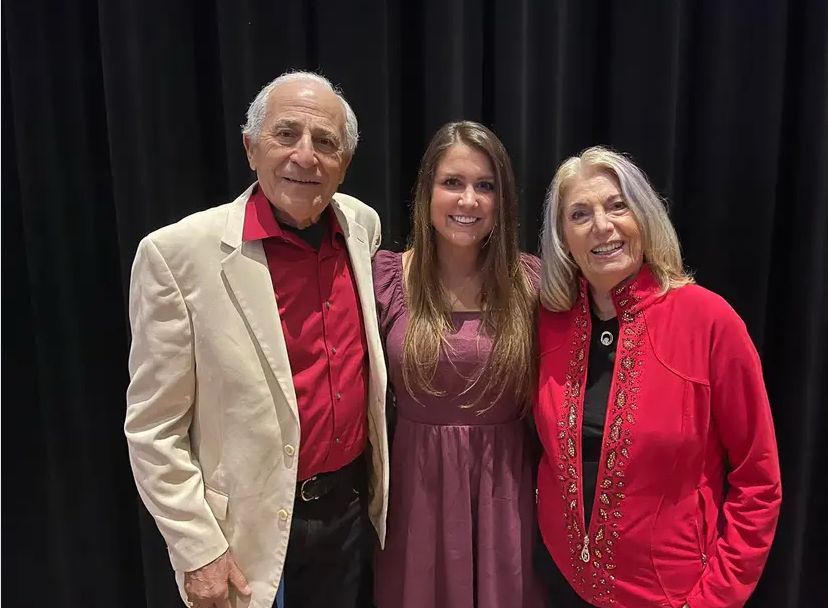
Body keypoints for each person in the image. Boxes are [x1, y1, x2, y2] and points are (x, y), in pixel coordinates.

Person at [124, 71, 389, 608]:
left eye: (326, 142)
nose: (305, 156)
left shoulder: (362, 226)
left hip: (351, 514)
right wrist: (197, 549)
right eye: (285, 134)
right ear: (250, 148)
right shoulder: (176, 255)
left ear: (346, 161)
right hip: (248, 535)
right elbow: (153, 429)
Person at [533, 146, 782, 607]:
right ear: (563, 237)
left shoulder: (709, 322)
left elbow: (759, 483)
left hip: (673, 596)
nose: (601, 226)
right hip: (557, 584)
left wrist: (713, 600)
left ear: (644, 218)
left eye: (617, 205)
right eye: (580, 214)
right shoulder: (550, 323)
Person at [372, 121, 546, 608]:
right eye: (452, 183)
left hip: (506, 495)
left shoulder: (534, 283)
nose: (468, 200)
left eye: (484, 186)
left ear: (502, 200)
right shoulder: (385, 277)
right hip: (415, 492)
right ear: (426, 192)